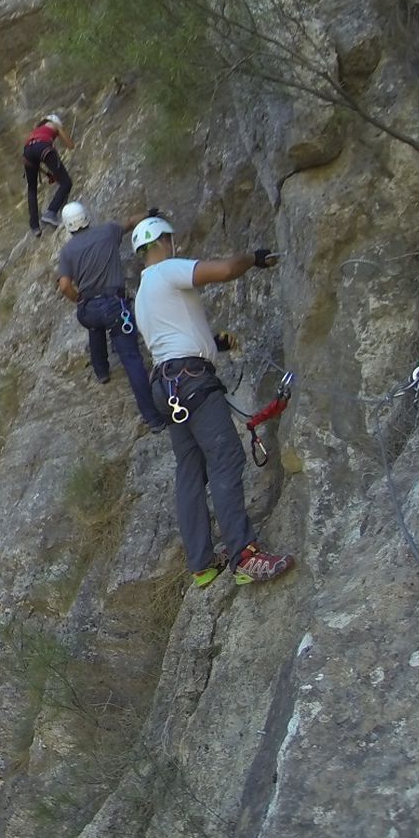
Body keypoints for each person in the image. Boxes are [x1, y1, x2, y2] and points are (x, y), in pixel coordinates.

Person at [132, 214, 294, 586]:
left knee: (190, 471)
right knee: (226, 457)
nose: (174, 245)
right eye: (169, 240)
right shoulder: (168, 270)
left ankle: (202, 563)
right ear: (160, 243)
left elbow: (170, 335)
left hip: (168, 386)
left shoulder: (142, 294)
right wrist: (253, 258)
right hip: (191, 382)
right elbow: (222, 271)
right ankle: (244, 555)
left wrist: (213, 343)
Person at [54, 201, 164, 430]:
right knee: (131, 359)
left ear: (68, 227)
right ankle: (153, 419)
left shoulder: (67, 252)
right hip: (115, 306)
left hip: (89, 310)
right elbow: (132, 221)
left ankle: (101, 371)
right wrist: (150, 212)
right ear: (87, 218)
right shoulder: (108, 231)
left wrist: (79, 299)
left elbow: (64, 286)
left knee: (95, 326)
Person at [22, 112, 75, 232]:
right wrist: (66, 137)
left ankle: (35, 226)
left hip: (27, 152)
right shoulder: (55, 125)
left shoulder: (35, 132)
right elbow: (70, 145)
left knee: (32, 189)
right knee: (66, 182)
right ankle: (51, 212)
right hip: (43, 148)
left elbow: (35, 156)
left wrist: (48, 174)